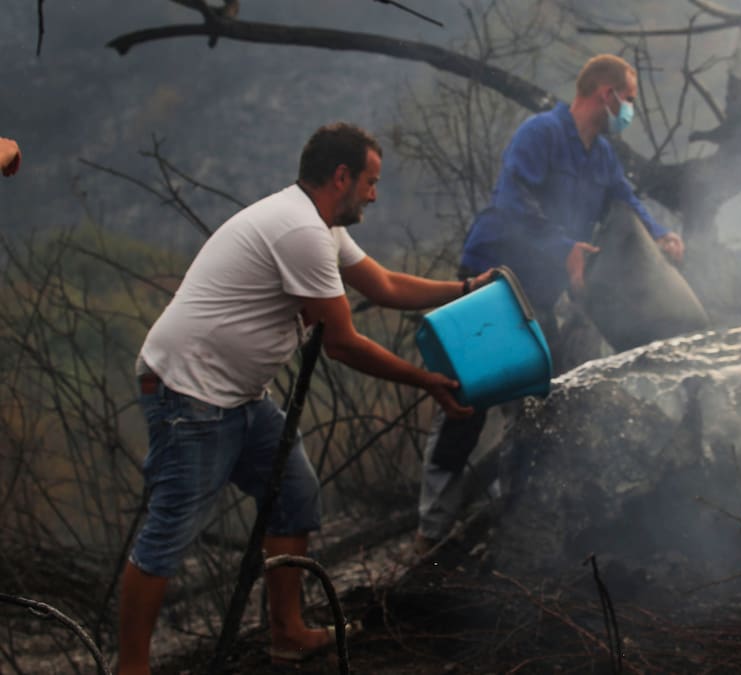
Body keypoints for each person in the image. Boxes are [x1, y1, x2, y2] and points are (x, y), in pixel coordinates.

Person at [118, 122, 491, 674]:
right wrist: (428, 382)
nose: (374, 193)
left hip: (239, 395)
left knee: (294, 494)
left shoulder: (322, 225)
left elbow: (384, 286)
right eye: (370, 181)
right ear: (341, 176)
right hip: (188, 393)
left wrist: (463, 290)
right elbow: (341, 343)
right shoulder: (301, 231)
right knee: (170, 529)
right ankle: (132, 668)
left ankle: (287, 633)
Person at [415, 54, 685, 553]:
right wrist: (564, 247)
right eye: (628, 100)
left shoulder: (601, 155)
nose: (630, 111)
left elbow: (626, 203)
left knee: (539, 401)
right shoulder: (540, 134)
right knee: (468, 399)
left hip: (539, 291)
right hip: (493, 275)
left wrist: (660, 235)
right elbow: (515, 205)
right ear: (605, 95)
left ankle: (507, 515)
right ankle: (430, 534)